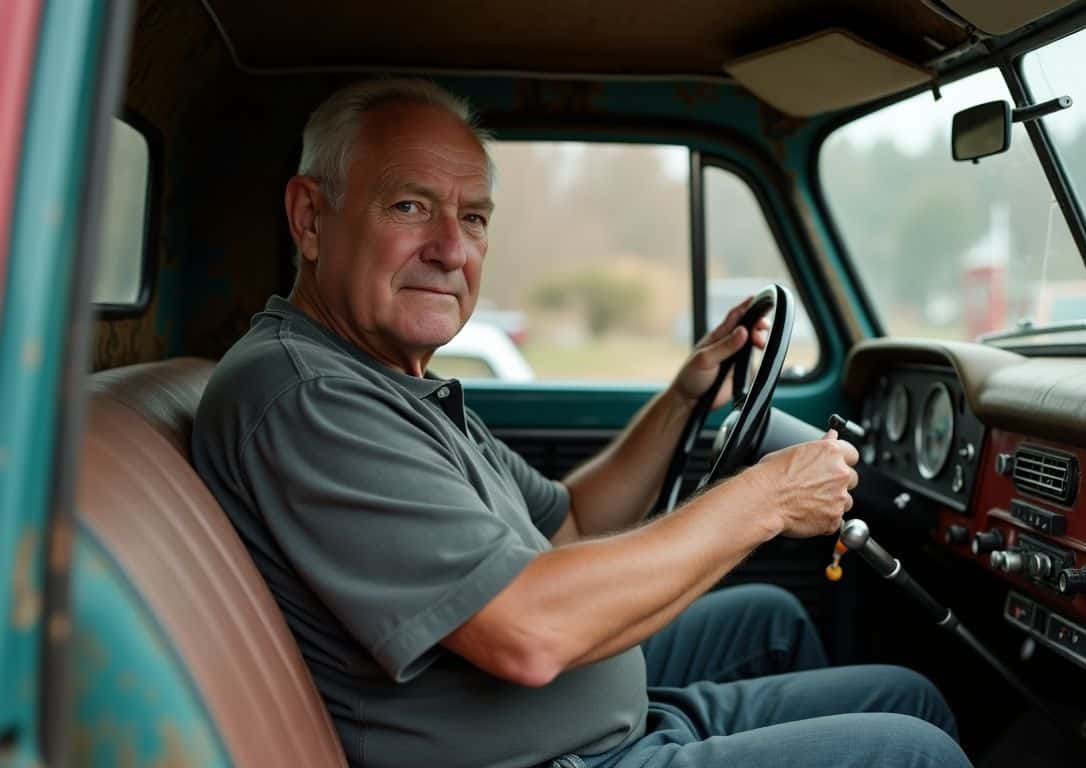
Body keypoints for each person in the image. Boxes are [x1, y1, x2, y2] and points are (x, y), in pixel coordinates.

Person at [192, 77, 970, 768]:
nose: (451, 248)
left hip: (596, 725)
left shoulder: (392, 382)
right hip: (548, 755)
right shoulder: (306, 396)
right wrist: (764, 501)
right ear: (309, 218)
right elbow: (527, 634)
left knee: (885, 683)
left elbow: (568, 524)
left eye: (474, 217)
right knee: (914, 751)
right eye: (409, 206)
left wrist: (684, 396)